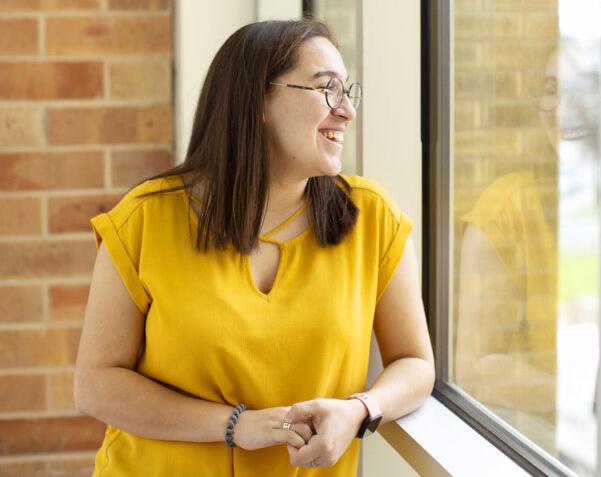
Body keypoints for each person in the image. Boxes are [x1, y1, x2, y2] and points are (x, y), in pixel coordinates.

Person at [74, 18, 434, 476]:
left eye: (348, 92)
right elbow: (96, 385)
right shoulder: (145, 219)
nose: (347, 111)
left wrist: (361, 409)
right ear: (257, 101)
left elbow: (415, 364)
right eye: (327, 89)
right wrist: (234, 425)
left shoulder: (372, 218)